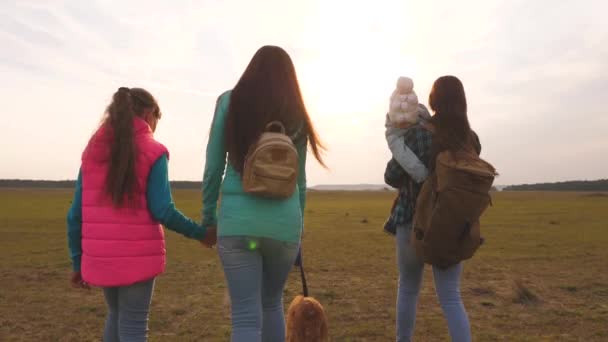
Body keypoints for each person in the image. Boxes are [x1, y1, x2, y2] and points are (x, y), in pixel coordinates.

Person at [66, 87, 216, 342]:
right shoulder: (153, 150)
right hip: (137, 260)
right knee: (134, 325)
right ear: (148, 114)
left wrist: (77, 261)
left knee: (115, 315)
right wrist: (201, 233)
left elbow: (74, 214)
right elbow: (162, 209)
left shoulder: (92, 152)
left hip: (99, 257)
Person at [201, 45, 325, 342]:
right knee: (271, 304)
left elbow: (213, 166)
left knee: (244, 316)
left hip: (237, 223)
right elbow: (301, 179)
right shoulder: (296, 113)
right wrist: (299, 229)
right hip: (283, 226)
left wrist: (209, 217)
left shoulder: (229, 102)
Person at [384, 76, 481, 342]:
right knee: (451, 296)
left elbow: (391, 175)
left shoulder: (417, 133)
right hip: (452, 225)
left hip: (412, 222)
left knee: (408, 289)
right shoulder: (471, 141)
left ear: (433, 100)